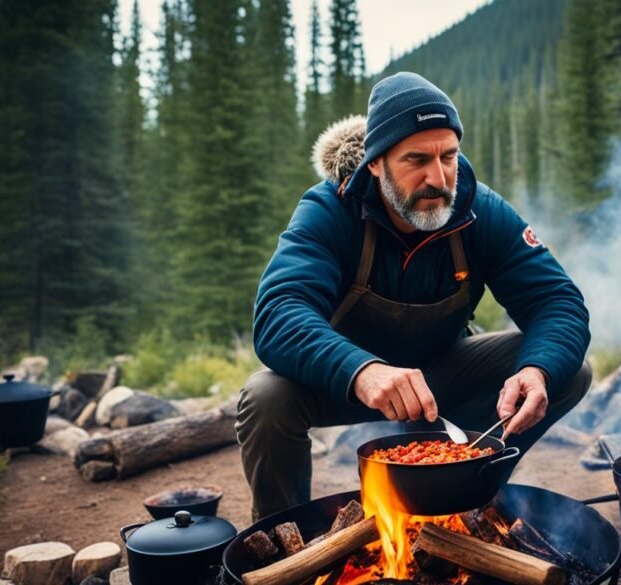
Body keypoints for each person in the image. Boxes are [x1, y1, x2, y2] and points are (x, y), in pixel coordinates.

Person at [236, 72, 591, 519]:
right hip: (341, 383)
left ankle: (467, 493)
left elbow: (557, 302)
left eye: (449, 156)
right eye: (416, 160)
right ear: (376, 163)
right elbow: (278, 314)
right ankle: (284, 541)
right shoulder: (329, 211)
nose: (437, 177)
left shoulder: (482, 211)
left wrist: (538, 370)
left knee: (567, 368)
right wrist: (361, 370)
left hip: (440, 376)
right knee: (266, 397)